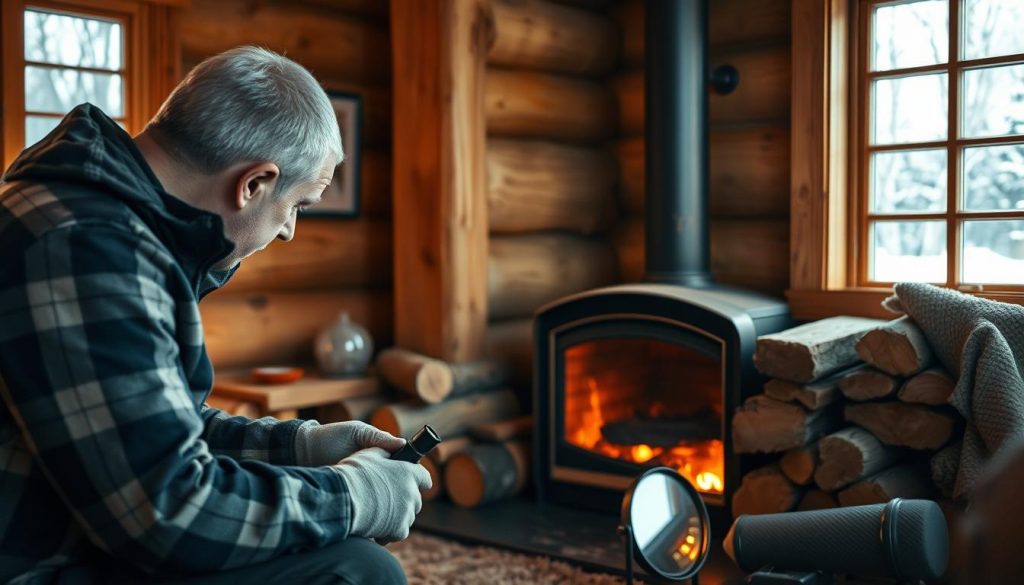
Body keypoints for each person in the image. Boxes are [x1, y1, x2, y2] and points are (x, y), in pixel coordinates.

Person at [0, 46, 430, 584]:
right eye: (297, 205)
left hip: (72, 531)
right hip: (36, 565)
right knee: (357, 571)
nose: (290, 231)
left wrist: (303, 446)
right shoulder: (90, 248)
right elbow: (168, 511)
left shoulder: (94, 218)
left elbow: (152, 428)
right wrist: (353, 496)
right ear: (253, 184)